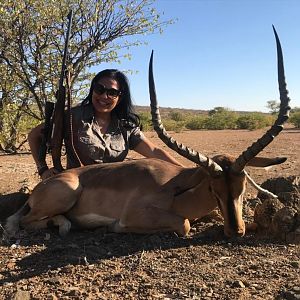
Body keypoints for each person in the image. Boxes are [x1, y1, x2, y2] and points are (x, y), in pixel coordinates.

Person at [28, 69, 183, 180]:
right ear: (92, 89)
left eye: (112, 93)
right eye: (99, 89)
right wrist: (43, 169)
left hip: (112, 189)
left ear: (120, 97)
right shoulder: (72, 116)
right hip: (76, 185)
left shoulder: (126, 126)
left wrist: (185, 172)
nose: (104, 96)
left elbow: (154, 151)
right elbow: (34, 135)